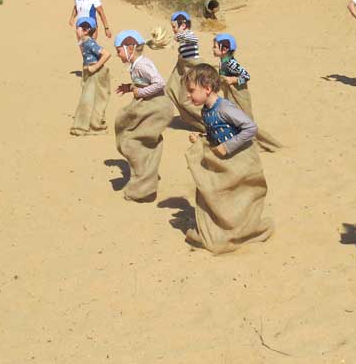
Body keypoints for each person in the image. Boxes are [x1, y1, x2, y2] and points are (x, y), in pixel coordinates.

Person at [182, 63, 274, 253]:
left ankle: (239, 230)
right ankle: (216, 227)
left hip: (238, 160)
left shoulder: (224, 108)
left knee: (235, 194)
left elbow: (250, 128)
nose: (189, 96)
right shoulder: (206, 110)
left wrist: (228, 146)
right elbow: (214, 133)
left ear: (207, 88)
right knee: (213, 192)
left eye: (192, 90)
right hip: (221, 160)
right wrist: (200, 138)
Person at [113, 30, 173, 202]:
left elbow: (159, 82)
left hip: (155, 107)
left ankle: (143, 186)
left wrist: (140, 92)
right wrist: (130, 88)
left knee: (133, 142)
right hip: (149, 106)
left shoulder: (141, 64)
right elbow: (143, 82)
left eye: (118, 50)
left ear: (129, 48)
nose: (118, 54)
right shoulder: (138, 64)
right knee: (136, 141)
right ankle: (143, 182)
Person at [212, 33, 282, 152]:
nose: (212, 49)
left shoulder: (231, 63)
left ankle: (256, 143)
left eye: (214, 47)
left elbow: (246, 75)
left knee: (245, 118)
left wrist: (233, 79)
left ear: (224, 49)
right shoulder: (223, 61)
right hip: (230, 95)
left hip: (240, 95)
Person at [71, 17, 112, 136]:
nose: (76, 31)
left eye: (77, 28)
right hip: (89, 73)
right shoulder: (84, 42)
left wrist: (94, 68)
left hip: (95, 74)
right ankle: (86, 126)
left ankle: (87, 127)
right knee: (89, 100)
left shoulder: (89, 42)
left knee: (89, 100)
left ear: (86, 30)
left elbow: (106, 54)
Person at [165, 11, 205, 131]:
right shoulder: (183, 37)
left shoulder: (189, 35)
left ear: (182, 25)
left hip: (193, 70)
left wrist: (179, 36)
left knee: (187, 101)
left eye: (174, 27)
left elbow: (193, 38)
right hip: (184, 70)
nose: (173, 30)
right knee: (171, 89)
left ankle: (208, 121)